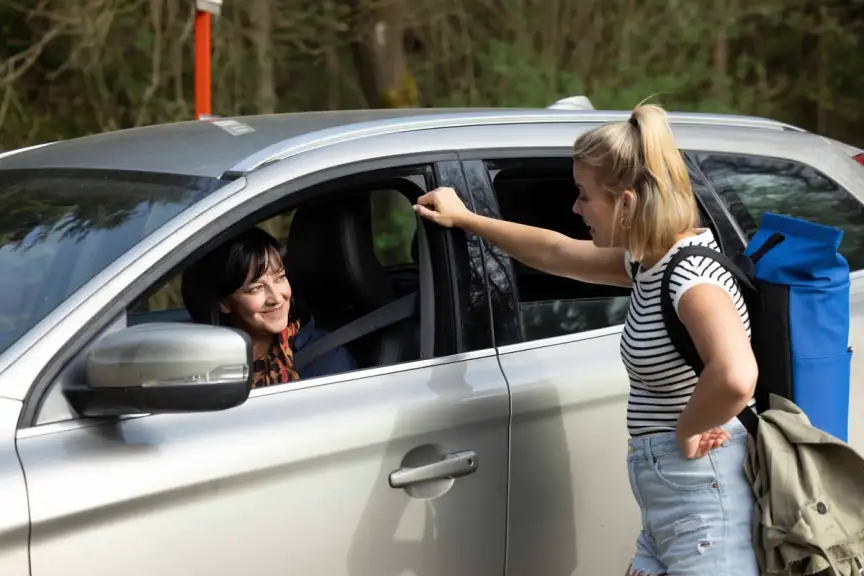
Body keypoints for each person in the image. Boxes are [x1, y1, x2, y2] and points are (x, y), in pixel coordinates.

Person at [414, 104, 758, 575]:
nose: (575, 208)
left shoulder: (692, 277)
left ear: (627, 203)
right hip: (671, 503)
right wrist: (466, 219)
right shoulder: (649, 262)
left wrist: (689, 428)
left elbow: (737, 376)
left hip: (703, 504)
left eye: (583, 195)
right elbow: (557, 252)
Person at [181, 226, 356, 388]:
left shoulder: (325, 361)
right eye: (256, 288)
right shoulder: (201, 364)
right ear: (224, 303)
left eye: (280, 277)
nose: (277, 297)